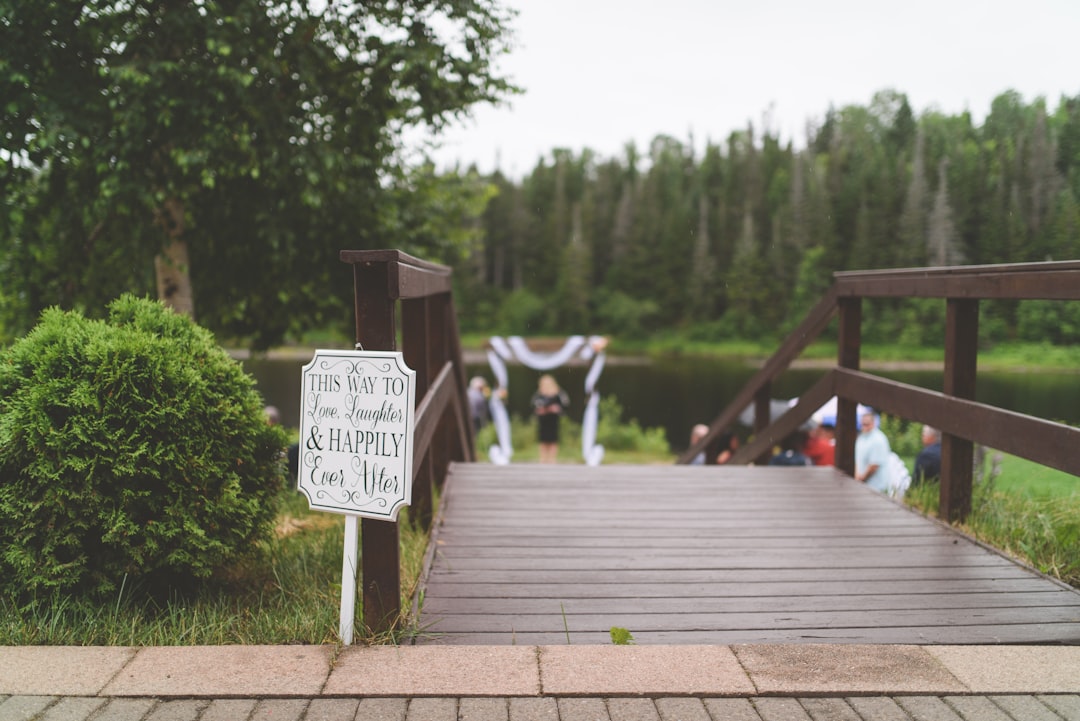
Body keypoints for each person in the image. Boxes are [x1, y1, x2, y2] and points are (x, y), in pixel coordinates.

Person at [532, 374, 568, 463]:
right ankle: (543, 458)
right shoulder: (539, 394)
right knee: (543, 439)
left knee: (553, 439)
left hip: (553, 420)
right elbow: (533, 406)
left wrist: (557, 409)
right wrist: (540, 411)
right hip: (543, 420)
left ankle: (552, 459)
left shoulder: (558, 394)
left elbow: (565, 406)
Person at [854, 410, 891, 492]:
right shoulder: (861, 437)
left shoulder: (878, 439)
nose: (864, 427)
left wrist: (861, 478)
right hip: (861, 483)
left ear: (873, 423)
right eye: (862, 424)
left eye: (867, 424)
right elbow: (857, 458)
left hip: (875, 486)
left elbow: (874, 465)